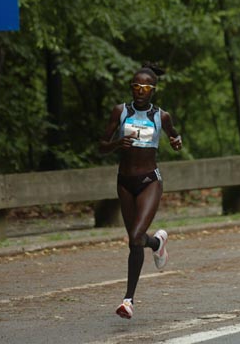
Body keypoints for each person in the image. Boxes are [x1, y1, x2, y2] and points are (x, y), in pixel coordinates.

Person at [99, 63, 182, 319]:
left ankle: (127, 297)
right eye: (136, 86)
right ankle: (156, 245)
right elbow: (101, 146)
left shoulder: (161, 116)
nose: (140, 91)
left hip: (149, 181)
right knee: (135, 242)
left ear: (153, 90)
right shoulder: (120, 111)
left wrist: (176, 142)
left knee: (136, 235)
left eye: (145, 87)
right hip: (124, 182)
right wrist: (116, 144)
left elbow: (174, 137)